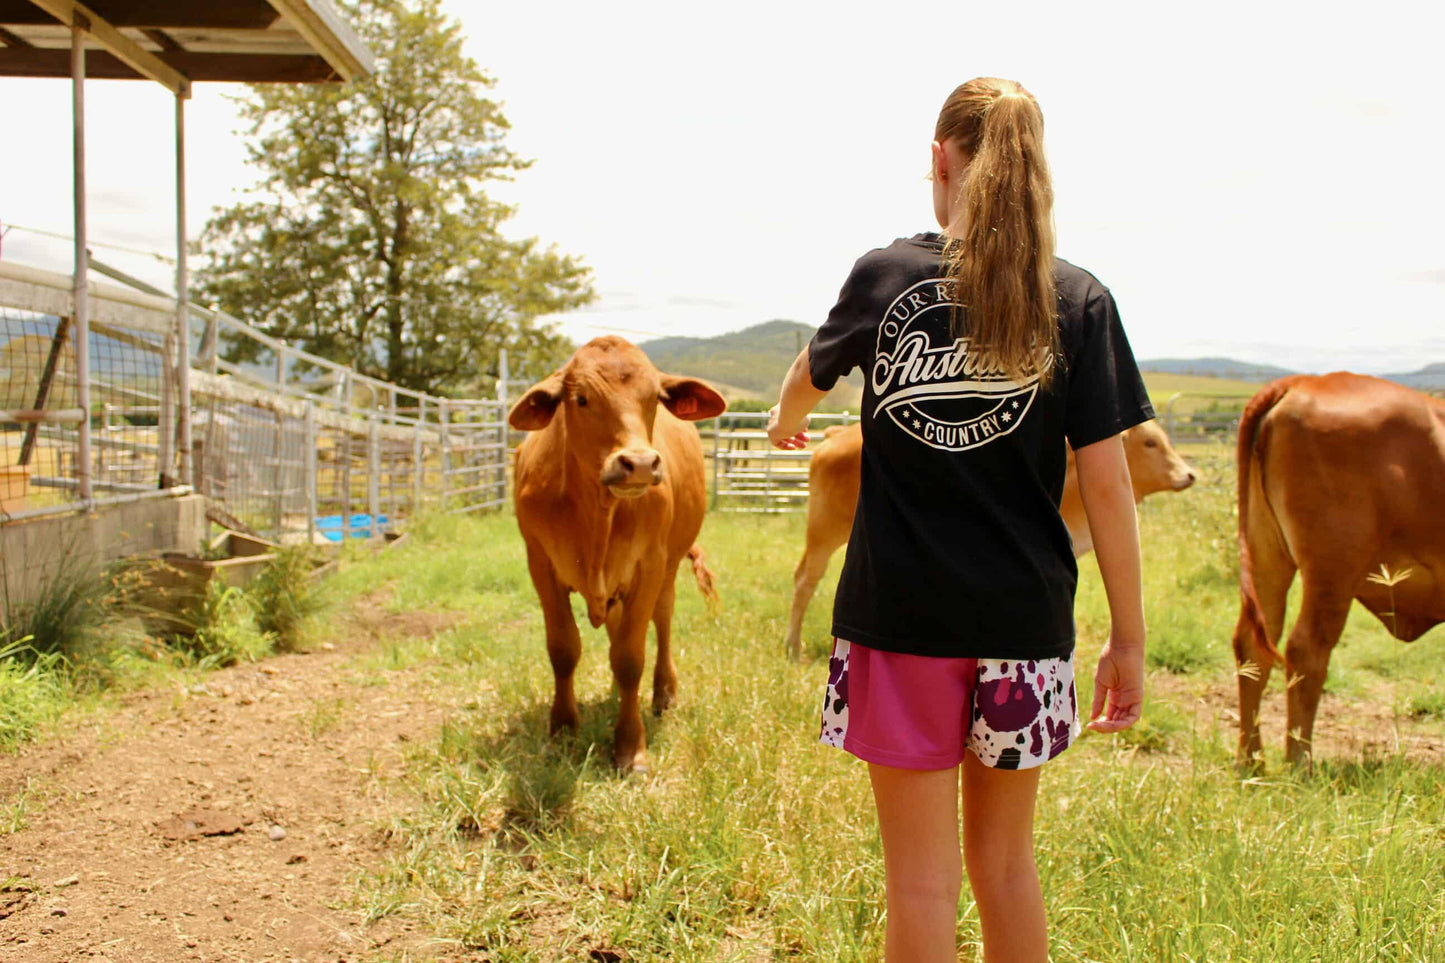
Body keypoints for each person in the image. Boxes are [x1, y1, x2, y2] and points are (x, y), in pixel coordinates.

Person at [767, 77, 1150, 963]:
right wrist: (1126, 637)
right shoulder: (1079, 300)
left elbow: (804, 380)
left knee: (919, 884)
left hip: (901, 624)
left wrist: (787, 421)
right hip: (1023, 625)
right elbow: (1108, 488)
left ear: (938, 158)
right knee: (1008, 870)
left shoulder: (883, 276)